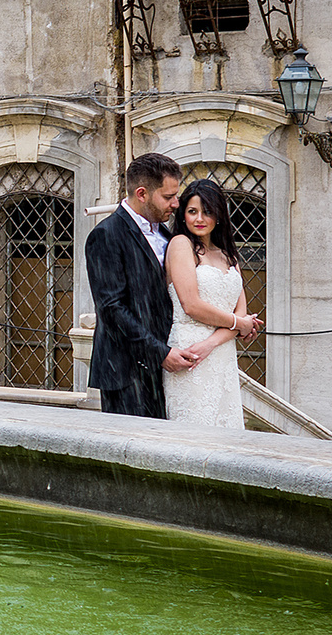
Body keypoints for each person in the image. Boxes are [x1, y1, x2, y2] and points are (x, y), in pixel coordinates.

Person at [84, 152, 190, 418]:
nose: (176, 204)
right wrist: (160, 353)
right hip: (126, 373)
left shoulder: (167, 233)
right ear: (142, 193)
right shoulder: (105, 235)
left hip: (166, 369)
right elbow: (111, 309)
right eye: (168, 197)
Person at [161, 178, 261, 434]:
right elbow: (191, 305)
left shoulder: (228, 254)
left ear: (219, 214)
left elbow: (241, 314)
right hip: (189, 349)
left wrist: (212, 343)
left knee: (226, 430)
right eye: (192, 211)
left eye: (207, 211)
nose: (199, 218)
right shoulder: (181, 244)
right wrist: (240, 325)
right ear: (183, 214)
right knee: (194, 431)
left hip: (221, 354)